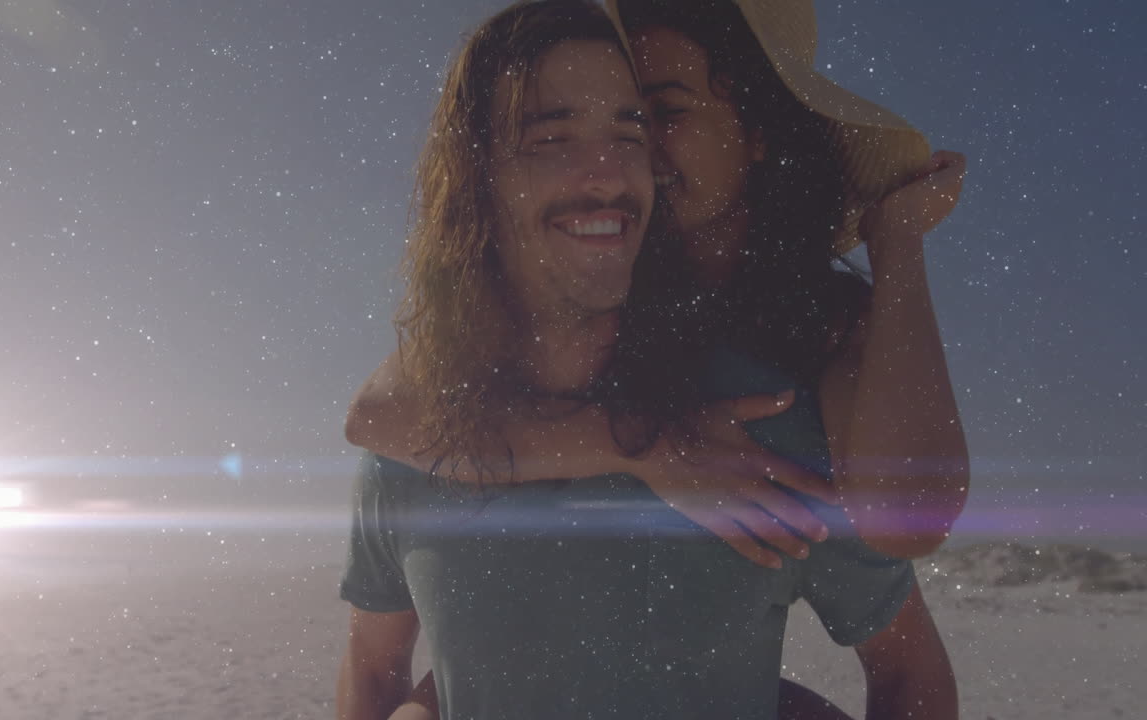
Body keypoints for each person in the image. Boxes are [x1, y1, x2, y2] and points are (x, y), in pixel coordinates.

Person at [335, 2, 956, 719]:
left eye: (636, 124)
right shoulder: (423, 433)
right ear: (478, 176)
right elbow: (373, 662)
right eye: (552, 136)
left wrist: (899, 242)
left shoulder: (764, 417)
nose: (618, 169)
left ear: (756, 135)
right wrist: (641, 443)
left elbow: (909, 657)